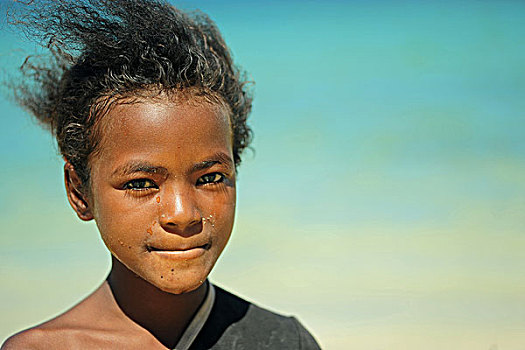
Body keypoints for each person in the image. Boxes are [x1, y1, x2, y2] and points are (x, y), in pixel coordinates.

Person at [1, 0, 321, 349]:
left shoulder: (283, 341)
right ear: (79, 192)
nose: (183, 215)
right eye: (140, 184)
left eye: (210, 178)